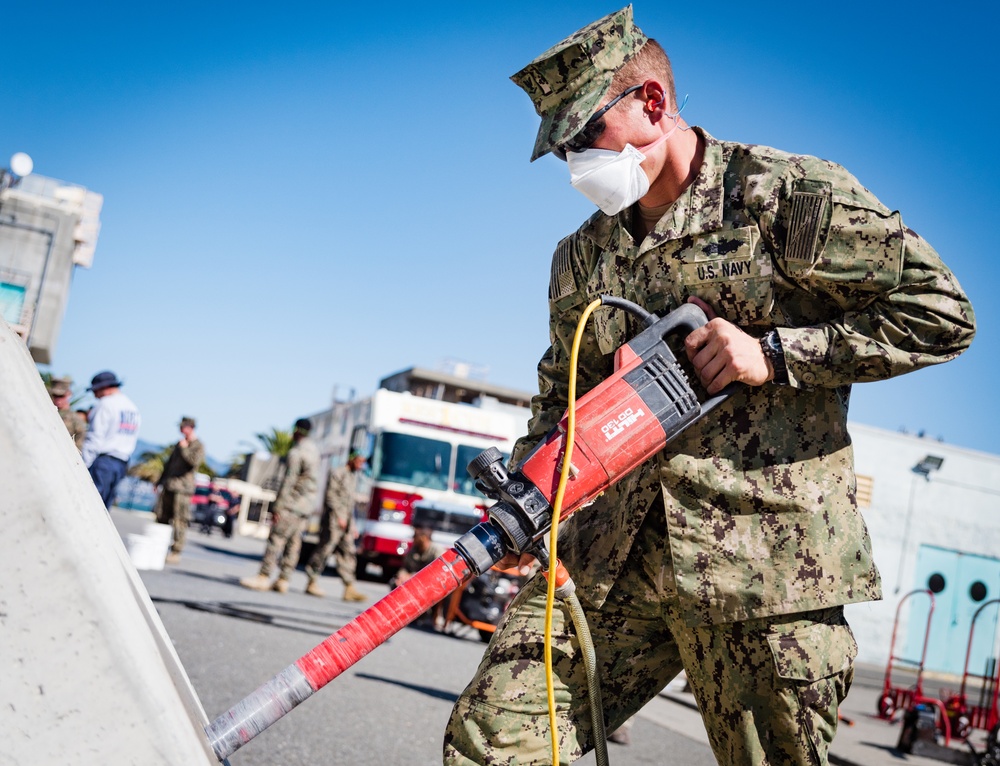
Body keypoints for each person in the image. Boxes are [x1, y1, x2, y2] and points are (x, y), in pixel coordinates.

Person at [444, 7, 976, 766]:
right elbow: (562, 389)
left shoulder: (785, 199)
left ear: (652, 103)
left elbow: (942, 313)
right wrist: (530, 491)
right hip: (611, 564)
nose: (573, 165)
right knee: (492, 741)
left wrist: (779, 354)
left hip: (761, 568)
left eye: (582, 136)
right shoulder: (580, 258)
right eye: (561, 149)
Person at [240, 418, 320, 594]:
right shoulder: (314, 451)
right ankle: (284, 579)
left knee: (276, 539)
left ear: (297, 430)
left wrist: (278, 507)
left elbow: (289, 481)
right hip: (305, 507)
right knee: (294, 543)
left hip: (291, 505)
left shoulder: (296, 453)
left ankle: (263, 576)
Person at [304, 450, 368, 602]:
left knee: (348, 552)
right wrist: (339, 517)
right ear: (352, 459)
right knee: (325, 550)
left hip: (345, 523)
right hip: (333, 521)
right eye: (359, 461)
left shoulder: (353, 477)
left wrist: (352, 525)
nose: (361, 465)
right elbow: (331, 497)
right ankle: (312, 580)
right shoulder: (337, 473)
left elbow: (349, 504)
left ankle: (349, 587)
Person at [81, 370, 141, 510]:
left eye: (95, 391)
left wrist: (83, 465)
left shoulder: (105, 404)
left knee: (90, 506)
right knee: (104, 508)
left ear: (104, 388)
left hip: (103, 462)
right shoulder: (133, 408)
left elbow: (95, 437)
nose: (95, 395)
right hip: (122, 463)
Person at [155, 417, 206, 565]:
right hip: (170, 485)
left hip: (183, 489)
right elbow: (169, 464)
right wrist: (160, 481)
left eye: (184, 427)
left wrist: (184, 448)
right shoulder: (178, 444)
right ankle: (159, 547)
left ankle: (176, 551)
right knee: (161, 517)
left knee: (179, 520)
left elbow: (193, 462)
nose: (181, 430)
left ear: (191, 428)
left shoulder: (198, 445)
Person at [47, 376, 85, 450]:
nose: (58, 399)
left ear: (69, 394)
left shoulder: (75, 420)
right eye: (55, 395)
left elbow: (79, 447)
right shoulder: (46, 414)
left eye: (61, 396)